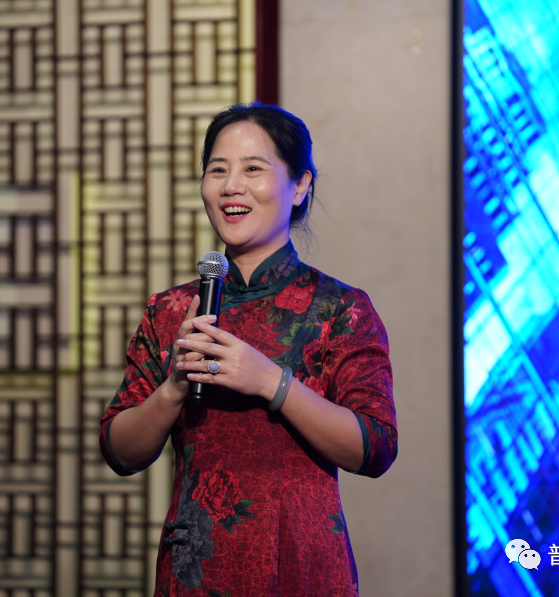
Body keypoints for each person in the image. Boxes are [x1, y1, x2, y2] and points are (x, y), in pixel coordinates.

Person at [100, 102, 397, 596]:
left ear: (299, 186)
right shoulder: (171, 311)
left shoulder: (340, 309)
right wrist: (172, 389)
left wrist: (271, 382)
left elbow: (376, 447)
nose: (231, 186)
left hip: (300, 565)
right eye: (217, 170)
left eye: (253, 169)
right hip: (196, 570)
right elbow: (118, 450)